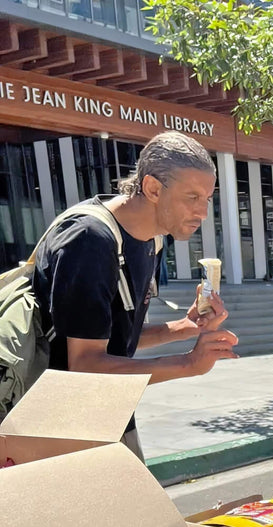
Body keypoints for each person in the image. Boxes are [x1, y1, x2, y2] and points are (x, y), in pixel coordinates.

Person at [32, 131, 237, 458]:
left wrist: (185, 327)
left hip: (110, 411)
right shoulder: (89, 241)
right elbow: (84, 365)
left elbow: (115, 339)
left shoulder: (151, 241)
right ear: (153, 188)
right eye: (191, 197)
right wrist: (187, 363)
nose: (202, 212)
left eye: (207, 199)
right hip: (56, 428)